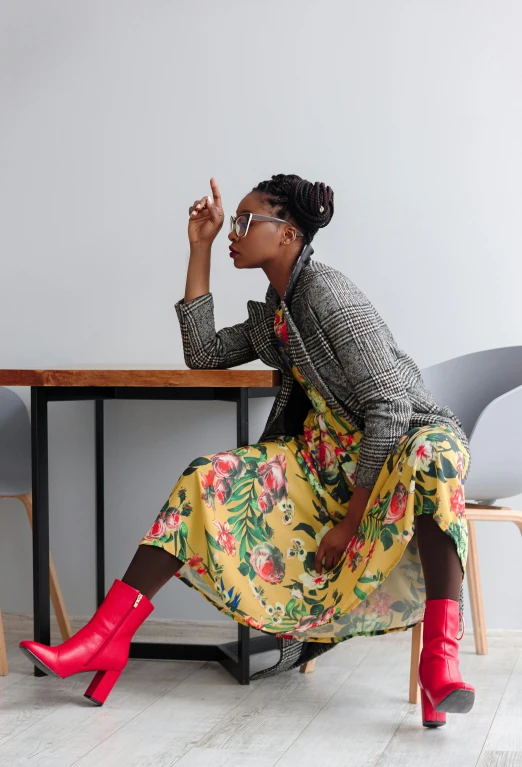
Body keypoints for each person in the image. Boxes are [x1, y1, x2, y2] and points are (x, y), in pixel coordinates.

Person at [20, 174, 475, 728]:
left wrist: (352, 522)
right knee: (206, 478)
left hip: (402, 449)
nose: (234, 231)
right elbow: (202, 351)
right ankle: (103, 640)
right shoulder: (277, 316)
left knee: (435, 457)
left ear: (287, 234)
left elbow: (389, 407)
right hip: (327, 465)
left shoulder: (329, 295)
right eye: (231, 223)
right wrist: (200, 245)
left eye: (243, 221)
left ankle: (440, 664)